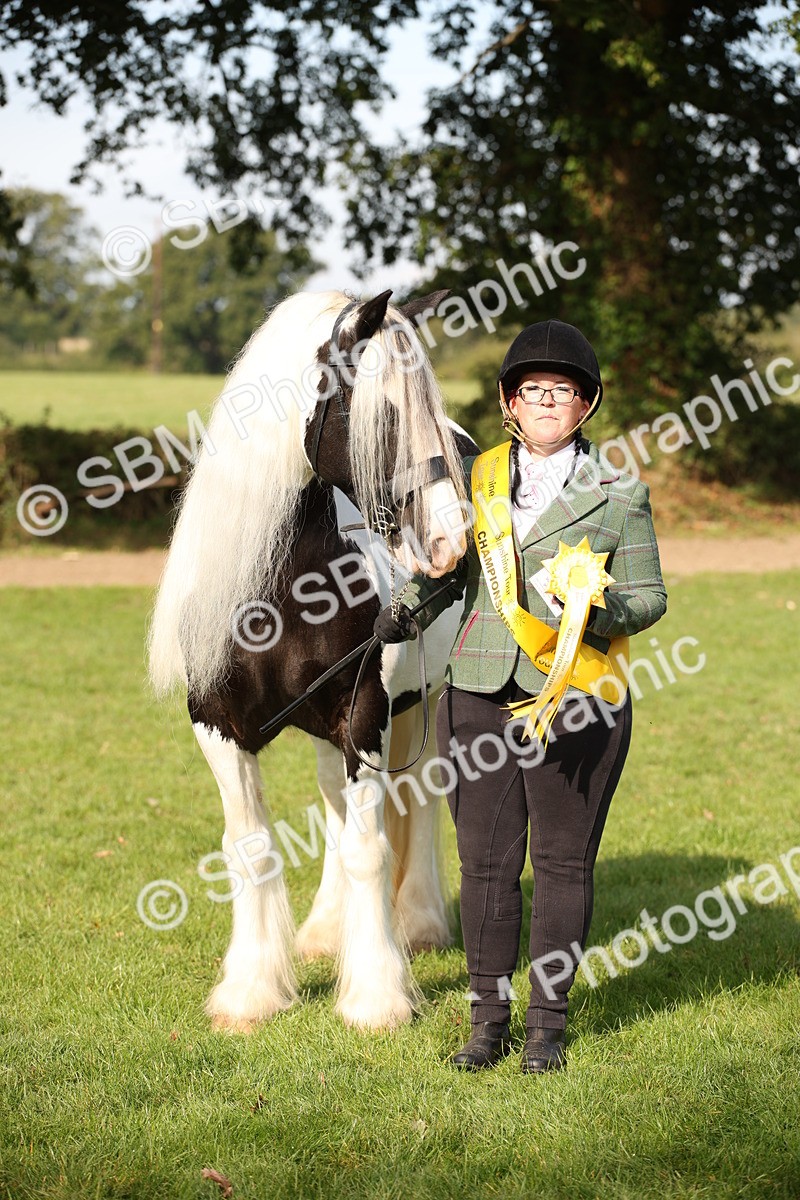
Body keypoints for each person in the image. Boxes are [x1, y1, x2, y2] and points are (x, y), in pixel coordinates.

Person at [374, 318, 667, 1073]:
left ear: (586, 405)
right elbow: (452, 573)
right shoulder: (478, 478)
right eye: (533, 390)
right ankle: (486, 1020)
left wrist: (593, 607)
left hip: (576, 695)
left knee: (564, 866)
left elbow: (649, 596)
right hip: (476, 690)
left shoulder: (620, 492)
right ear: (509, 400)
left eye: (562, 391)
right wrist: (407, 604)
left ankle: (547, 1028)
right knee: (485, 866)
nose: (546, 401)